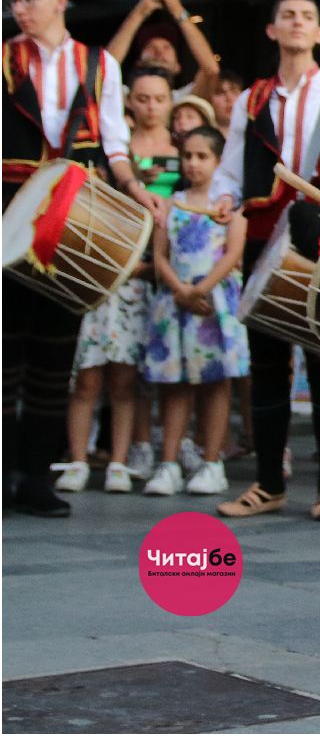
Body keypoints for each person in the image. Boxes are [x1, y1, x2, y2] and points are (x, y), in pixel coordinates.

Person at [211, 0, 320, 522]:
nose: (296, 23)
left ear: (318, 34)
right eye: (286, 15)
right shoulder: (252, 99)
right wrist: (222, 197)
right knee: (266, 365)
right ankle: (268, 484)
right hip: (264, 234)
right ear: (272, 29)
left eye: (306, 16)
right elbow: (231, 168)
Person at [3, 0, 160, 517]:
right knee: (5, 354)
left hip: (72, 217)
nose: (18, 8)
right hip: (7, 211)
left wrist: (136, 190)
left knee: (53, 354)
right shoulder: (2, 59)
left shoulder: (98, 64)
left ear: (58, 1)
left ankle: (36, 480)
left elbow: (115, 144)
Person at [58, 66, 181, 493]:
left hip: (156, 273)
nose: (150, 106)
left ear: (171, 101)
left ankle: (123, 458)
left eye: (159, 98)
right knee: (88, 374)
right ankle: (77, 459)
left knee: (132, 375)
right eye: (141, 97)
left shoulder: (184, 151)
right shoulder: (116, 151)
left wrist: (158, 264)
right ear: (128, 101)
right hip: (107, 272)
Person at [142, 126, 248, 496]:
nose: (193, 163)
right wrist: (181, 290)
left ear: (219, 161)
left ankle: (211, 461)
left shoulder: (229, 208)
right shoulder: (171, 205)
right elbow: (159, 255)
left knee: (216, 384)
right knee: (175, 385)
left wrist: (201, 289)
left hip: (214, 305)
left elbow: (233, 254)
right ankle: (169, 462)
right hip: (177, 302)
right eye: (187, 156)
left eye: (202, 156)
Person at [106, 0, 221, 101]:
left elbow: (211, 70)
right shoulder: (126, 100)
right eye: (150, 47)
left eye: (167, 47)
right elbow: (104, 68)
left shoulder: (184, 101)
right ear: (138, 63)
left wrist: (177, 9)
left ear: (178, 66)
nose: (159, 52)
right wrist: (140, 12)